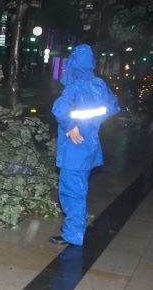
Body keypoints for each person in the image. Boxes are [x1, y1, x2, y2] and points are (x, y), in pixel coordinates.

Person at [50, 44, 120, 246]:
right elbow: (113, 106)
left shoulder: (75, 87)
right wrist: (92, 123)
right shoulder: (99, 85)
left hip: (74, 149)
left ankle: (73, 234)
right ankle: (75, 228)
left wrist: (71, 125)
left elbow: (59, 109)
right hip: (90, 147)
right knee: (78, 188)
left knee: (72, 191)